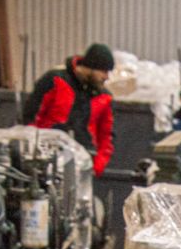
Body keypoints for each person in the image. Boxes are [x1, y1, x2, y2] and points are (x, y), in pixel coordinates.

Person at [23, 42, 115, 176]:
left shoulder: (104, 97)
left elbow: (106, 137)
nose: (106, 77)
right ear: (91, 67)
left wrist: (96, 167)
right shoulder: (55, 80)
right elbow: (31, 117)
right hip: (48, 162)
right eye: (104, 71)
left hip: (84, 166)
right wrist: (35, 154)